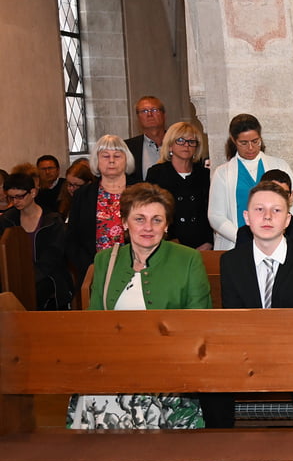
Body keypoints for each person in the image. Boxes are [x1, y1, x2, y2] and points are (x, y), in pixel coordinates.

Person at [68, 183, 211, 429]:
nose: (148, 227)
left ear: (167, 225)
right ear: (125, 222)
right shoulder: (105, 260)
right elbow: (94, 322)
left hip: (170, 369)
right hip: (113, 367)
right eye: (139, 219)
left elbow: (200, 322)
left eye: (157, 220)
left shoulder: (188, 259)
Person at [204, 181, 293, 429]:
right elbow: (235, 316)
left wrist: (281, 349)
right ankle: (221, 444)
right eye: (259, 210)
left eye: (276, 210)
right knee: (212, 372)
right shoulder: (231, 261)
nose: (268, 216)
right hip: (245, 348)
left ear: (287, 219)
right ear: (247, 217)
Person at [207, 114, 293, 250]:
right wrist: (242, 238)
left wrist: (275, 234)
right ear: (234, 140)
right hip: (236, 244)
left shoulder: (280, 165)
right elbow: (216, 216)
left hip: (274, 242)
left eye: (255, 141)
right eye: (244, 143)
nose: (250, 148)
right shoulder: (222, 173)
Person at [0, 172, 74, 310]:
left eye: (20, 196)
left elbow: (53, 256)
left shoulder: (52, 221)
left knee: (37, 292)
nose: (15, 201)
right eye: (11, 197)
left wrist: (30, 277)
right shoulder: (7, 220)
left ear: (33, 192)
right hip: (16, 275)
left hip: (49, 276)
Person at [67, 134, 134, 277]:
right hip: (94, 270)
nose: (111, 161)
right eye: (105, 156)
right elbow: (72, 237)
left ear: (126, 160)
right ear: (96, 161)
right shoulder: (83, 195)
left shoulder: (141, 191)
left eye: (117, 156)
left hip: (135, 268)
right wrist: (89, 267)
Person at [144, 122, 213, 250]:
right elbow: (151, 210)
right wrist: (169, 240)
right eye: (180, 140)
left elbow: (211, 210)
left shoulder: (204, 174)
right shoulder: (157, 173)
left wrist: (209, 241)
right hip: (169, 243)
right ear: (170, 145)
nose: (186, 145)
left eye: (191, 141)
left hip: (202, 244)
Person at [235, 169, 293, 247]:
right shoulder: (245, 233)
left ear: (291, 196)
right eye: (273, 193)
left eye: (284, 194)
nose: (279, 199)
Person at [125, 96, 167, 180]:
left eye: (154, 110)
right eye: (144, 111)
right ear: (138, 117)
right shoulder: (127, 148)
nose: (149, 114)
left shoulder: (180, 143)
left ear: (164, 115)